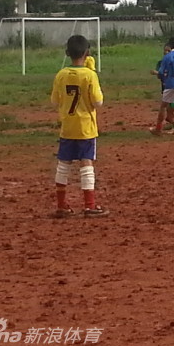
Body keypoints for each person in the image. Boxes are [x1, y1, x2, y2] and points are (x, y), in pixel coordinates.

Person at [50, 34, 108, 217]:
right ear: (87, 52)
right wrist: (92, 72)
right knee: (86, 163)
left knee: (63, 164)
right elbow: (98, 102)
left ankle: (61, 205)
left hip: (67, 126)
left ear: (67, 53)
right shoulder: (90, 75)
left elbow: (55, 101)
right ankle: (89, 205)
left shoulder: (61, 74)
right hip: (86, 127)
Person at [150, 42, 174, 133]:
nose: (166, 52)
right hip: (165, 87)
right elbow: (161, 75)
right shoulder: (161, 62)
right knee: (169, 109)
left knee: (172, 107)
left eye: (168, 50)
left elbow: (166, 74)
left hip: (173, 86)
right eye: (164, 50)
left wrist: (157, 73)